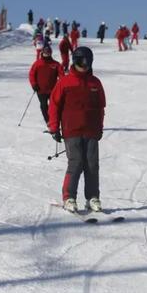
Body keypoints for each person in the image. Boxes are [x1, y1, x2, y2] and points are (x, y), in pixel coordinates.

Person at [48, 47, 106, 213]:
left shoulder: (95, 83)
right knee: (76, 162)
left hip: (91, 130)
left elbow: (100, 107)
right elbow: (54, 105)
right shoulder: (65, 82)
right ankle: (69, 197)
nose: (85, 66)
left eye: (87, 62)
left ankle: (92, 197)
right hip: (71, 129)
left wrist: (99, 127)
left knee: (92, 164)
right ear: (75, 61)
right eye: (82, 62)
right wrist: (54, 127)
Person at [28, 45, 64, 124]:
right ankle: (48, 121)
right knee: (44, 105)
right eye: (45, 53)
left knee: (54, 106)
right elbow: (31, 74)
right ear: (42, 53)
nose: (47, 54)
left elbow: (61, 75)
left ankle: (55, 121)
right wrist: (34, 84)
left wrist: (61, 84)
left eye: (48, 53)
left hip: (53, 89)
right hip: (40, 89)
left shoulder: (56, 64)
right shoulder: (37, 63)